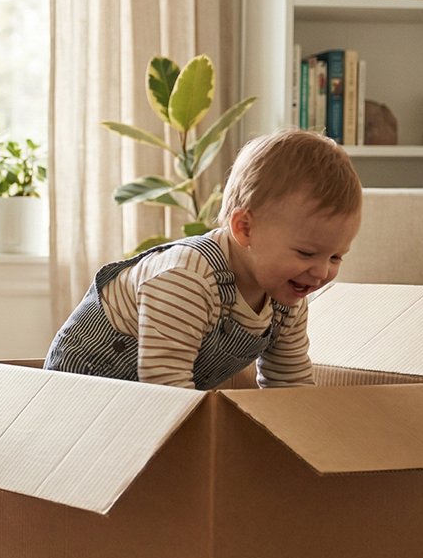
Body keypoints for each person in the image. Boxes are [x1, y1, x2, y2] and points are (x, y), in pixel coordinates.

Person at [45, 128, 361, 389]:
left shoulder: (287, 297)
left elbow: (291, 387)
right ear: (245, 228)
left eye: (336, 256)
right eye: (305, 253)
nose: (321, 272)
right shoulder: (186, 278)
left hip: (148, 402)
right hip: (78, 393)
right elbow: (165, 386)